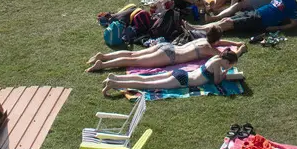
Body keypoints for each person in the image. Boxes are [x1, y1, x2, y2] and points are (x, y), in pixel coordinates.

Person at [87, 26, 244, 72]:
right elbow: (228, 56)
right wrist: (240, 49)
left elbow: (220, 41)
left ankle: (104, 56)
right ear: (215, 40)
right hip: (170, 56)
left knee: (132, 53)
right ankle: (103, 65)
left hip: (166, 46)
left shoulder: (203, 40)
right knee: (134, 60)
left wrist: (234, 42)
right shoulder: (210, 50)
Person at [99, 50, 243, 97]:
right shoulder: (219, 64)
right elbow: (217, 81)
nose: (229, 67)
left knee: (146, 78)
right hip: (183, 79)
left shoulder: (215, 58)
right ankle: (114, 83)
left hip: (180, 73)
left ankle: (116, 77)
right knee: (147, 85)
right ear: (226, 61)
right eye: (230, 64)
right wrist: (225, 73)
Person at [202, 0, 297, 39]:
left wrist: (275, 28)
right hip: (255, 13)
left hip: (259, 21)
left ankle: (197, 31)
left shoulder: (292, 4)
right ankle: (197, 30)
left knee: (227, 24)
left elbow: (294, 23)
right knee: (225, 20)